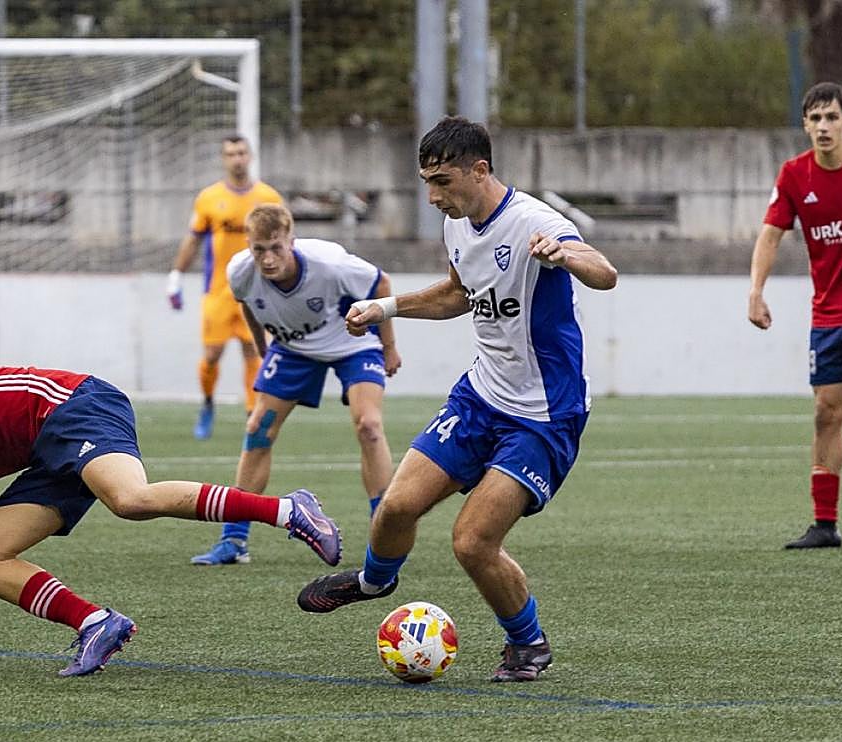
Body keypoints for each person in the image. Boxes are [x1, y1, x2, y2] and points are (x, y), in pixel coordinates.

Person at [295, 116, 617, 682]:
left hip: (543, 415)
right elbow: (457, 295)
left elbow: (604, 271)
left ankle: (528, 644)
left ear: (480, 169)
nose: (432, 195)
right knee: (396, 506)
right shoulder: (458, 226)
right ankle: (374, 581)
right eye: (427, 181)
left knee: (471, 542)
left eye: (442, 181)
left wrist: (564, 256)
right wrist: (384, 310)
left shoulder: (533, 221)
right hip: (480, 396)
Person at [0, 367, 341, 677]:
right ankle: (95, 623)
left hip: (75, 407)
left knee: (129, 500)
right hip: (48, 457)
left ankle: (288, 510)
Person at [190, 203, 402, 566]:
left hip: (352, 341)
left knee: (369, 426)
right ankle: (234, 541)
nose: (268, 259)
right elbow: (247, 306)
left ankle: (386, 536)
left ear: (291, 241)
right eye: (259, 249)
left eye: (276, 248)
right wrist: (262, 350)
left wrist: (389, 346)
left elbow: (381, 284)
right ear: (249, 245)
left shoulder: (329, 263)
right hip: (293, 348)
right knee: (257, 430)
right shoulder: (241, 270)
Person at [748, 82, 842, 550]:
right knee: (825, 413)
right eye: (815, 119)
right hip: (829, 315)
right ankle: (825, 524)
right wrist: (756, 291)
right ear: (805, 126)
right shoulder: (794, 175)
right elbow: (770, 236)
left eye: (832, 117)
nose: (824, 127)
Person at [167, 135, 284, 441]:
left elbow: (285, 242)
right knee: (212, 353)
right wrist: (176, 275)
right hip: (219, 291)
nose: (237, 158)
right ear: (224, 158)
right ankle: (207, 403)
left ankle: (251, 411)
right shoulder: (208, 198)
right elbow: (193, 238)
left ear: (251, 156)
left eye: (242, 152)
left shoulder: (268, 197)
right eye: (231, 153)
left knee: (254, 350)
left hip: (258, 290)